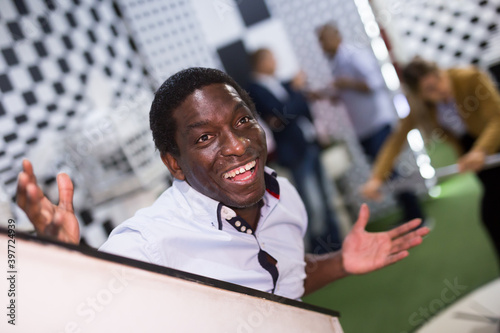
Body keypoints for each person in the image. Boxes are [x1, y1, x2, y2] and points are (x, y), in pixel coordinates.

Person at [16, 67, 429, 299]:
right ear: (174, 164)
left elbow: (283, 274)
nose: (237, 146)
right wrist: (66, 268)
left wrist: (339, 263)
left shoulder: (283, 194)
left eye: (243, 121)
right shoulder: (147, 243)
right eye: (204, 138)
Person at [361, 57, 500, 261]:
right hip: (472, 153)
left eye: (439, 81)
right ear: (419, 94)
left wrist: (481, 150)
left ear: (440, 71)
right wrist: (377, 177)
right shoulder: (420, 105)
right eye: (429, 89)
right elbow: (396, 140)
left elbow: (497, 118)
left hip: (493, 144)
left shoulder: (470, 78)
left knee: (492, 215)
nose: (440, 90)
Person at [317, 23, 425, 225]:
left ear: (335, 36)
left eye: (322, 40)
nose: (321, 46)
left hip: (377, 123)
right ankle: (409, 214)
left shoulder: (354, 55)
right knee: (384, 174)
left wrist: (346, 84)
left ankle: (417, 216)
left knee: (389, 171)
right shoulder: (336, 63)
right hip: (362, 128)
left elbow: (374, 84)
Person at [247, 48, 342, 253]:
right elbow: (283, 116)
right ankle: (320, 250)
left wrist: (295, 96)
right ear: (261, 62)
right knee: (312, 202)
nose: (276, 61)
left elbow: (291, 110)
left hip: (309, 144)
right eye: (272, 58)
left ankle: (337, 243)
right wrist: (297, 93)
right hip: (295, 152)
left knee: (326, 196)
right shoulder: (255, 89)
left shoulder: (281, 84)